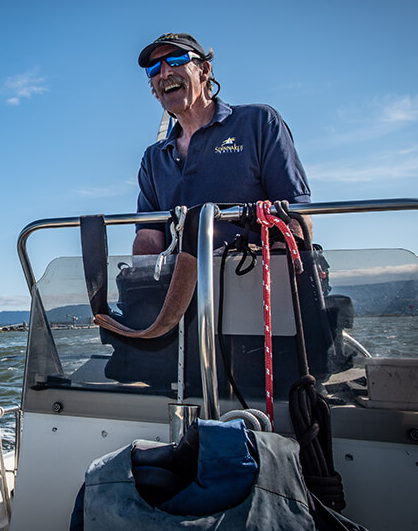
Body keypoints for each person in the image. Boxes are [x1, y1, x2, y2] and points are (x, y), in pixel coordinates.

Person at [95, 32, 311, 340]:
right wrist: (142, 294)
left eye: (177, 60)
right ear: (153, 89)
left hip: (254, 289)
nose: (165, 72)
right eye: (154, 69)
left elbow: (295, 215)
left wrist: (280, 293)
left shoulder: (259, 122)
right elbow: (148, 239)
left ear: (205, 71)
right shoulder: (154, 158)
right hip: (179, 303)